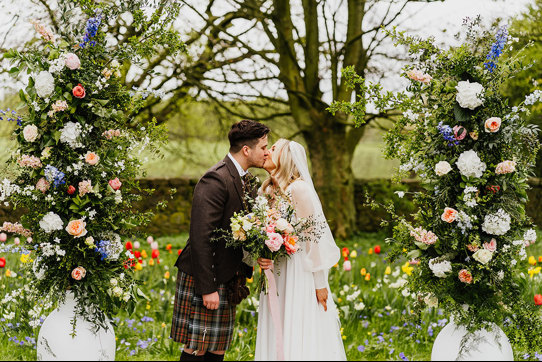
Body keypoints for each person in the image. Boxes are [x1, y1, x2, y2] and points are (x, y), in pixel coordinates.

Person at [171, 120, 270, 361]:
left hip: (228, 275)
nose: (267, 152)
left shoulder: (246, 179)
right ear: (247, 150)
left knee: (217, 348)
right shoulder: (216, 179)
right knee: (198, 347)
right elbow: (200, 238)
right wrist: (208, 289)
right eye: (263, 147)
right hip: (205, 276)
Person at [255, 138, 346, 361]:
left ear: (285, 157)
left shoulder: (299, 189)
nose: (267, 152)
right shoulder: (266, 190)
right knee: (277, 325)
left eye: (272, 148)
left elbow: (313, 239)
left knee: (298, 323)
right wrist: (262, 255)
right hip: (276, 271)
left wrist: (320, 283)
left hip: (298, 271)